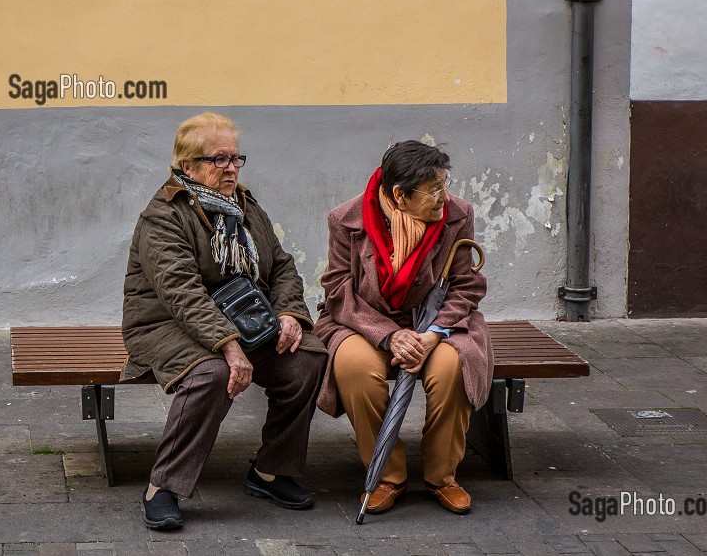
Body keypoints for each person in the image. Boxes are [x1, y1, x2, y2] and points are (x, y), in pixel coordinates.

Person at [121, 112, 326, 531]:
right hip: (166, 324)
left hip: (245, 320)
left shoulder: (245, 207)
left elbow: (282, 267)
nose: (231, 167)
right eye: (218, 159)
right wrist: (230, 346)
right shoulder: (163, 215)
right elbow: (182, 294)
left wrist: (289, 314)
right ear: (187, 166)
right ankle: (162, 487)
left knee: (306, 359)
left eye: (236, 158)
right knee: (212, 375)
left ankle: (270, 471)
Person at [313, 140, 493, 516]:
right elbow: (338, 291)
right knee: (353, 366)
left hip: (439, 322)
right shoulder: (346, 220)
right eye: (434, 189)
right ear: (399, 195)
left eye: (444, 184)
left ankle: (442, 476)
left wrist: (432, 334)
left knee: (452, 366)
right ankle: (387, 475)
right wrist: (389, 334)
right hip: (365, 322)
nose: (444, 196)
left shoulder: (458, 214)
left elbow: (466, 285)